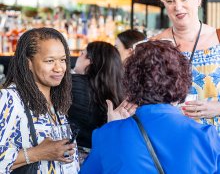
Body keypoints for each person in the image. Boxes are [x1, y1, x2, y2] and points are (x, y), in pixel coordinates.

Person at [80, 40, 220, 174]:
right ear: (182, 82)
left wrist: (114, 127)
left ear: (130, 82)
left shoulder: (107, 134)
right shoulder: (206, 135)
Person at [152, 0, 220, 134]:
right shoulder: (155, 45)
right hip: (173, 138)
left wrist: (218, 108)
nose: (177, 6)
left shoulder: (218, 38)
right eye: (170, 1)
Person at [0, 28, 79, 173]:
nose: (59, 68)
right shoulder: (10, 99)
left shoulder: (55, 100)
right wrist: (38, 153)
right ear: (28, 63)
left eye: (62, 60)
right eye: (50, 61)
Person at [68, 41, 129, 163]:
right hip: (104, 157)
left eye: (82, 53)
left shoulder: (71, 85)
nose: (78, 57)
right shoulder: (121, 91)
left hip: (73, 158)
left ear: (90, 60)